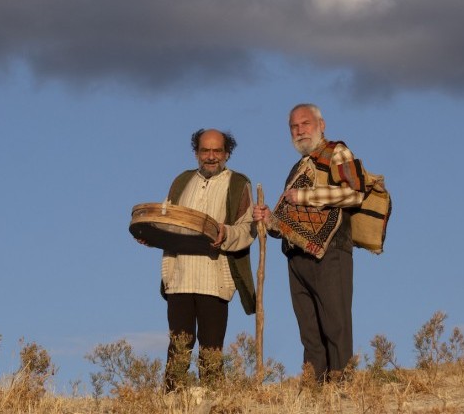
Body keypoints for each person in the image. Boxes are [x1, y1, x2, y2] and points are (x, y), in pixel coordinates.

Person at [253, 104, 366, 384]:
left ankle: (342, 387)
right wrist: (268, 219)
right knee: (309, 329)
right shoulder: (297, 167)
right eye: (294, 126)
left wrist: (304, 197)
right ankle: (314, 389)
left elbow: (354, 194)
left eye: (305, 124)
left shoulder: (337, 152)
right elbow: (288, 220)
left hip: (330, 252)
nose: (300, 130)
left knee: (335, 323)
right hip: (296, 257)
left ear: (322, 124)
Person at [155, 128, 256, 391]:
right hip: (180, 276)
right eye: (205, 151)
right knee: (178, 344)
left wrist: (226, 234)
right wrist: (151, 234)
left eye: (217, 151)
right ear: (196, 153)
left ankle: (214, 401)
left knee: (211, 347)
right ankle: (171, 401)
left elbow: (248, 229)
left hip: (214, 277)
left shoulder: (238, 183)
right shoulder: (181, 181)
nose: (211, 157)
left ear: (227, 153)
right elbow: (166, 218)